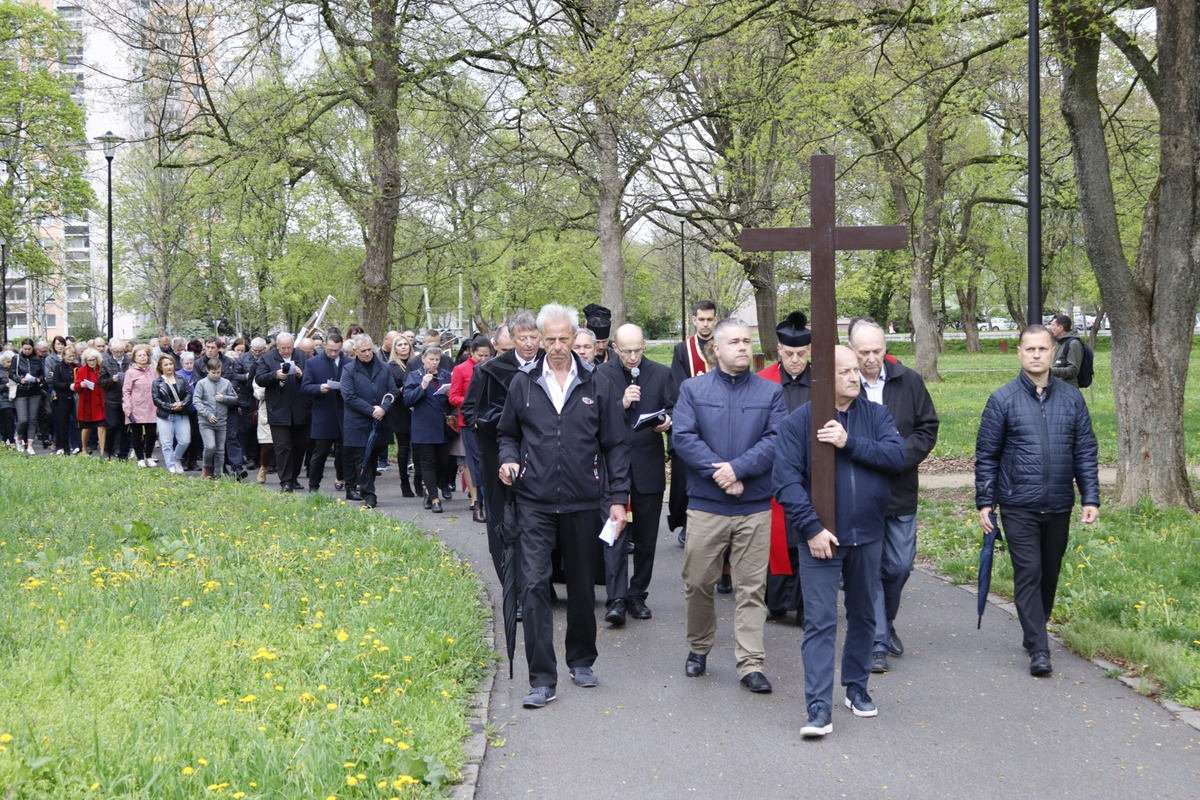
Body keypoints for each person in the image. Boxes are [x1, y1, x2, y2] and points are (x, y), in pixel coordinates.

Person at [498, 303, 630, 709]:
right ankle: (541, 678)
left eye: (563, 339)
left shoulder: (598, 382)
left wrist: (619, 499)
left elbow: (614, 444)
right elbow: (508, 433)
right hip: (534, 501)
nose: (556, 347)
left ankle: (581, 659)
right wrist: (508, 458)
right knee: (535, 585)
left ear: (576, 338)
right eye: (548, 339)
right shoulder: (524, 383)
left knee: (580, 583)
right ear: (538, 338)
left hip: (582, 499)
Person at [773, 345, 906, 738]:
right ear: (826, 377)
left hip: (867, 535)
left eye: (855, 370)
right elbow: (786, 481)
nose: (855, 376)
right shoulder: (799, 422)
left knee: (864, 614)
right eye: (845, 371)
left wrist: (849, 442)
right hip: (820, 541)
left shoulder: (876, 415)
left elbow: (896, 457)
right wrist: (811, 528)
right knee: (820, 622)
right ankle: (817, 707)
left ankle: (857, 687)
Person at [975, 324, 1100, 677]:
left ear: (1052, 352)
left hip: (1059, 502)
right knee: (1028, 571)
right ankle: (1040, 649)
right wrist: (986, 502)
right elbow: (987, 455)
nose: (1035, 355)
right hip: (1019, 505)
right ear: (1019, 352)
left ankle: (1035, 629)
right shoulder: (1002, 399)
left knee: (1049, 574)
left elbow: (1085, 451)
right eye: (1029, 349)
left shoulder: (1072, 399)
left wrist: (1090, 496)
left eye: (1042, 349)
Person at [672, 317, 786, 694]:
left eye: (747, 340)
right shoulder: (693, 389)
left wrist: (739, 469)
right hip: (707, 506)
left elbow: (776, 439)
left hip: (753, 507)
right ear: (716, 349)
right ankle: (699, 646)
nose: (743, 347)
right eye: (735, 341)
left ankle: (750, 663)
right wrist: (720, 474)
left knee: (752, 589)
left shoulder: (770, 393)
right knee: (699, 582)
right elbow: (684, 437)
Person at [848, 318, 940, 674]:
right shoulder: (844, 383)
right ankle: (877, 641)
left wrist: (898, 457)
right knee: (869, 568)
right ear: (852, 350)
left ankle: (884, 620)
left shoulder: (908, 381)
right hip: (860, 492)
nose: (871, 358)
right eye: (864, 352)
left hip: (899, 489)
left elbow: (927, 427)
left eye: (877, 351)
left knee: (899, 565)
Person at [597, 323, 676, 625]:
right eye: (627, 351)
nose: (633, 357)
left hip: (647, 465)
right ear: (615, 348)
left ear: (644, 345)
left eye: (638, 350)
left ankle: (637, 594)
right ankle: (616, 598)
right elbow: (593, 417)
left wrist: (667, 421)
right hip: (614, 467)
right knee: (615, 533)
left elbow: (675, 408)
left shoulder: (661, 373)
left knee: (646, 537)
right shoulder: (602, 376)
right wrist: (622, 403)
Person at [461, 311, 541, 585]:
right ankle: (513, 587)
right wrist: (506, 418)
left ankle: (539, 583)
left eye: (534, 337)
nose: (529, 344)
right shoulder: (489, 369)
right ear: (512, 339)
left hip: (540, 457)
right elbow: (471, 410)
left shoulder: (551, 364)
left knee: (538, 522)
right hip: (498, 455)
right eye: (523, 338)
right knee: (504, 522)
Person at [757, 312, 813, 625]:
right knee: (775, 537)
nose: (795, 360)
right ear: (779, 350)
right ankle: (776, 600)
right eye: (789, 354)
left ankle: (806, 603)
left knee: (804, 534)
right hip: (771, 472)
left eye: (801, 354)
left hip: (809, 475)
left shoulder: (821, 383)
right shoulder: (763, 381)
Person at [669, 299, 719, 546]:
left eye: (710, 319)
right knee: (685, 476)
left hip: (720, 422)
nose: (706, 324)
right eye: (702, 319)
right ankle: (687, 523)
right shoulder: (683, 350)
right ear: (694, 320)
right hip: (692, 422)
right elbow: (677, 391)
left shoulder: (724, 345)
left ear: (715, 320)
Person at [341, 335, 396, 508]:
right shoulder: (349, 370)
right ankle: (369, 494)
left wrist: (384, 407)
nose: (367, 353)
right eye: (363, 351)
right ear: (355, 352)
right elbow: (349, 396)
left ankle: (367, 488)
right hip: (358, 422)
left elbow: (393, 390)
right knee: (361, 458)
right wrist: (371, 410)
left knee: (373, 458)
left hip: (379, 421)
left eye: (369, 349)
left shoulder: (384, 368)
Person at [254, 333, 312, 492]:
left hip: (300, 409)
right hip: (278, 410)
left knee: (300, 446)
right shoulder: (268, 358)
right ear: (277, 347)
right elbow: (259, 378)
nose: (286, 351)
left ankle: (294, 478)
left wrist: (301, 375)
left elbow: (312, 378)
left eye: (289, 347)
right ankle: (285, 481)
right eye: (283, 348)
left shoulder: (302, 356)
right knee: (283, 447)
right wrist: (275, 375)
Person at [403, 344, 453, 513]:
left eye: (437, 359)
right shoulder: (414, 376)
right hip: (424, 427)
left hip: (443, 426)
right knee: (427, 464)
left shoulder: (446, 375)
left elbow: (454, 400)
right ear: (423, 359)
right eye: (431, 359)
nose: (434, 363)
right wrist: (422, 386)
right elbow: (407, 400)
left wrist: (450, 396)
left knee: (443, 463)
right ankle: (435, 498)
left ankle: (428, 492)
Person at [450, 335, 493, 523]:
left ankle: (490, 504)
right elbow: (454, 397)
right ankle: (478, 503)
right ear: (471, 353)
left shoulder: (492, 367)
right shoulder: (461, 369)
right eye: (480, 355)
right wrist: (473, 402)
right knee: (475, 465)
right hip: (468, 423)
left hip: (488, 422)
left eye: (487, 355)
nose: (483, 359)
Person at [302, 332, 347, 495]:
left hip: (344, 414)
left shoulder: (349, 362)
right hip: (323, 414)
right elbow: (305, 387)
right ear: (324, 346)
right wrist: (319, 388)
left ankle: (346, 482)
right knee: (320, 452)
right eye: (330, 350)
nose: (333, 353)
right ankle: (314, 485)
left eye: (337, 350)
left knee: (344, 452)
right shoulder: (313, 363)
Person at [202, 337, 248, 477]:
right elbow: (199, 386)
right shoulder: (200, 364)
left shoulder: (228, 362)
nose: (210, 350)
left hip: (229, 406)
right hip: (211, 409)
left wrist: (227, 396)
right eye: (208, 347)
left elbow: (234, 379)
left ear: (219, 348)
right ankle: (220, 468)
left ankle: (237, 467)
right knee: (216, 441)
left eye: (213, 347)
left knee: (231, 436)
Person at [193, 357, 238, 479]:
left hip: (221, 421)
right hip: (205, 421)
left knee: (220, 450)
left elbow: (235, 398)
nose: (216, 375)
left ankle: (218, 474)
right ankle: (207, 468)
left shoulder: (226, 383)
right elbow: (196, 401)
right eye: (213, 372)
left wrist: (224, 398)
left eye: (218, 372)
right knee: (210, 446)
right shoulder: (201, 383)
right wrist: (207, 414)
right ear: (207, 370)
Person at [152, 353, 193, 474]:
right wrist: (170, 406)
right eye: (166, 365)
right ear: (161, 367)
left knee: (185, 440)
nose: (169, 367)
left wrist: (182, 404)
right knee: (166, 442)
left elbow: (188, 393)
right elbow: (156, 400)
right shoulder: (157, 383)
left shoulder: (181, 378)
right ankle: (170, 466)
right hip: (165, 416)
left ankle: (176, 459)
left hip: (182, 414)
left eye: (171, 364)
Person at [387, 336, 415, 497]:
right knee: (404, 446)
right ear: (395, 348)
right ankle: (404, 481)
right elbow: (390, 389)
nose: (404, 347)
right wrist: (401, 391)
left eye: (406, 344)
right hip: (400, 409)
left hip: (416, 409)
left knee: (418, 446)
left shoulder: (416, 362)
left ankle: (419, 481)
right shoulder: (391, 367)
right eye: (400, 345)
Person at [122, 344, 160, 467]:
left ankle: (148, 456)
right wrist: (127, 407)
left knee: (151, 433)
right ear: (134, 358)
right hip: (136, 406)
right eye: (140, 355)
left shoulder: (152, 370)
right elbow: (126, 390)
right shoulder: (130, 372)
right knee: (136, 434)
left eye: (144, 355)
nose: (143, 357)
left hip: (151, 406)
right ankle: (140, 458)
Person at [11, 338, 45, 455]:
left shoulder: (37, 359)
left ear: (33, 349)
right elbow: (11, 373)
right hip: (21, 391)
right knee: (23, 419)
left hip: (35, 391)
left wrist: (38, 379)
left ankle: (30, 445)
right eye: (25, 349)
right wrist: (20, 380)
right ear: (22, 348)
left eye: (29, 349)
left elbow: (42, 374)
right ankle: (19, 438)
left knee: (32, 419)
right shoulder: (17, 358)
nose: (27, 351)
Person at [99, 339, 131, 461]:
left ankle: (123, 454)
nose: (118, 354)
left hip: (127, 399)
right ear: (111, 350)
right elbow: (101, 382)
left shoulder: (129, 361)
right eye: (116, 351)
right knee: (112, 426)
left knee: (126, 427)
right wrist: (112, 380)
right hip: (111, 399)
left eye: (121, 351)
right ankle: (108, 450)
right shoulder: (106, 362)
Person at [73, 347, 106, 456]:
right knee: (86, 427)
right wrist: (81, 385)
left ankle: (102, 451)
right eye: (89, 360)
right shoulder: (82, 370)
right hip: (87, 403)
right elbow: (77, 387)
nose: (92, 362)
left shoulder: (102, 369)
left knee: (101, 427)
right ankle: (84, 449)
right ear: (85, 361)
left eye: (94, 360)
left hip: (100, 402)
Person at [1047, 314, 1084, 388]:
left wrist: (1050, 371)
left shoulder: (1073, 343)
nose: (1050, 328)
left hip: (1068, 389)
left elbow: (1073, 370)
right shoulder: (1059, 342)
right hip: (1058, 387)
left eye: (1053, 325)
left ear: (1060, 328)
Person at [0, 351, 15, 448]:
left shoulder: (13, 371)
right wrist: (5, 386)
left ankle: (3, 440)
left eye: (11, 362)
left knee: (7, 421)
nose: (9, 364)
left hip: (13, 397)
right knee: (9, 418)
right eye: (8, 362)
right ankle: (12, 442)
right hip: (3, 398)